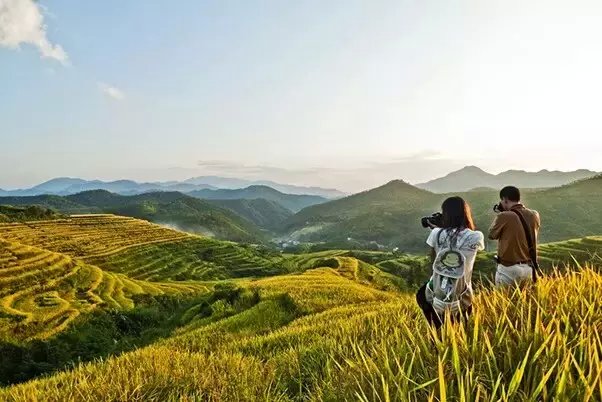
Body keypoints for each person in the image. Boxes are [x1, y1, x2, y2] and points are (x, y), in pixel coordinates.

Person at [416, 196, 485, 328]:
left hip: (437, 297)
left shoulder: (436, 233)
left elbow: (434, 262)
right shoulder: (476, 236)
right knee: (461, 329)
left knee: (421, 294)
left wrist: (440, 229)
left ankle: (435, 328)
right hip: (463, 298)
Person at [489, 186, 541, 287]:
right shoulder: (534, 215)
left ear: (505, 199)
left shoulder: (504, 216)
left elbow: (492, 235)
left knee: (503, 297)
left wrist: (501, 214)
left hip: (508, 268)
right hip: (528, 268)